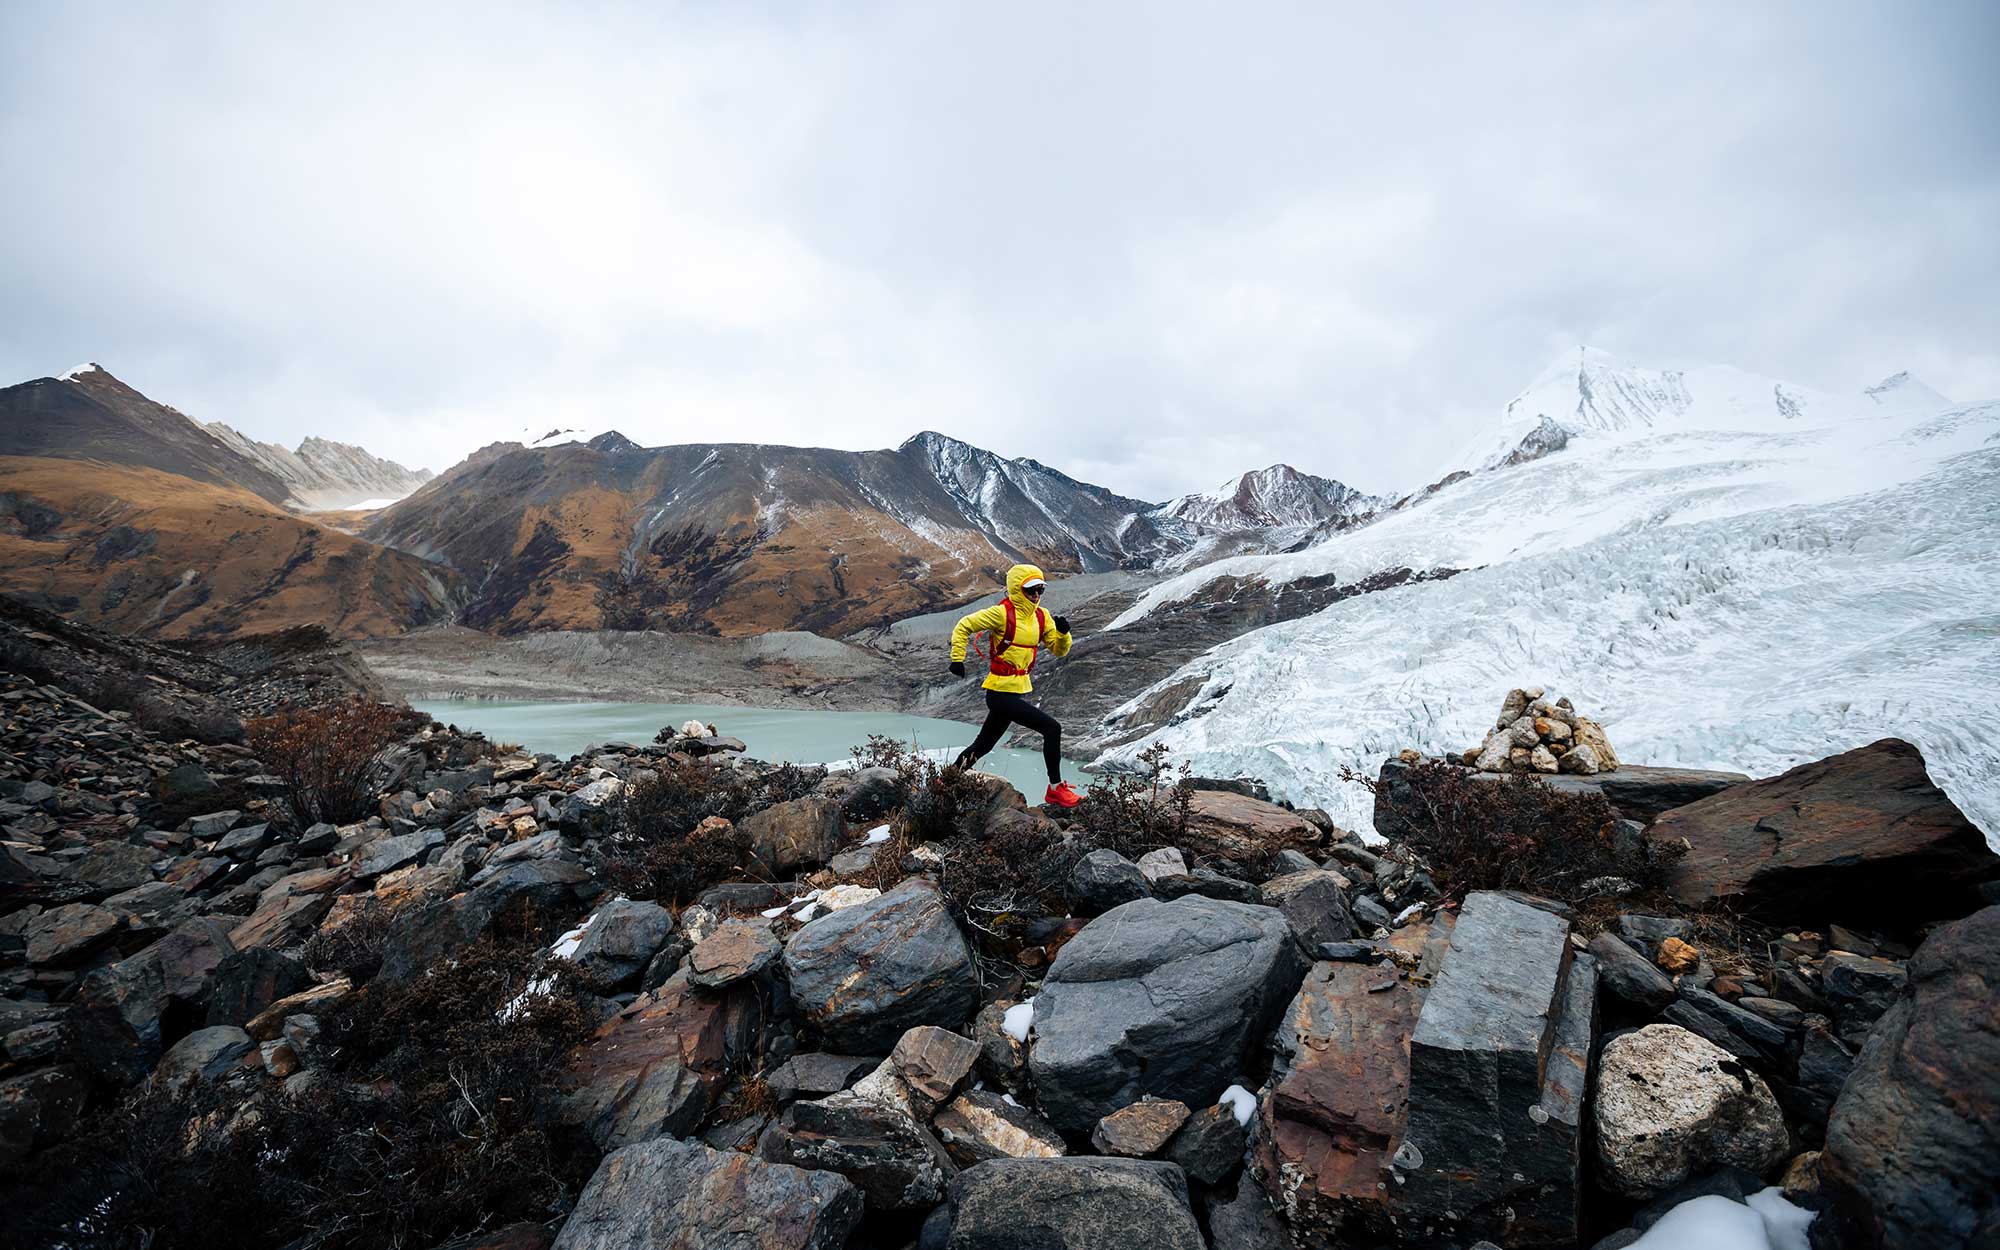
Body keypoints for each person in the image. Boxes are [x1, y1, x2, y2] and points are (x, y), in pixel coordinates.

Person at [947, 563, 1081, 807]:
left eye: (1040, 589)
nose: (1037, 595)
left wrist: (1063, 634)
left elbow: (1059, 651)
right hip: (999, 693)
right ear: (1018, 589)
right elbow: (963, 625)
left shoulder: (1042, 617)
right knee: (1052, 729)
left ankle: (945, 783)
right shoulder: (1001, 613)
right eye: (1031, 590)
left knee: (983, 746)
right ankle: (1055, 789)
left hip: (1013, 693)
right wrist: (957, 659)